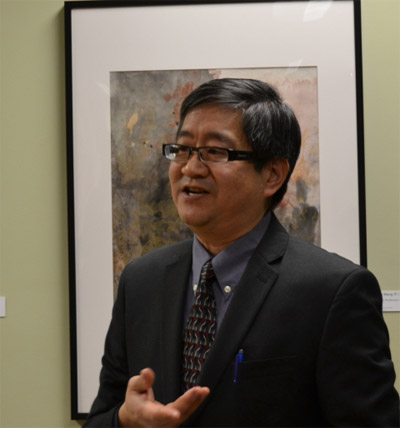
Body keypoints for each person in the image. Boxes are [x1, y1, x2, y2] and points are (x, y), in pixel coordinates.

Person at [85, 78, 399, 427]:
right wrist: (125, 420)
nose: (190, 168)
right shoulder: (141, 280)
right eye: (183, 149)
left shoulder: (333, 291)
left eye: (216, 152)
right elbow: (101, 417)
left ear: (273, 175)